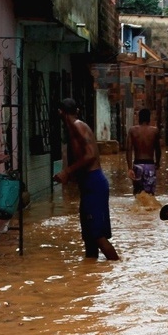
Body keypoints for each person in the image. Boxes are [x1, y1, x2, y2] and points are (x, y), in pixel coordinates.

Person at [53, 98, 119, 261]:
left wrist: (67, 171)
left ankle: (117, 268)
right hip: (89, 183)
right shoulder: (74, 128)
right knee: (89, 236)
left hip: (94, 183)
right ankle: (89, 280)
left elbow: (90, 155)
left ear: (61, 112)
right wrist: (71, 176)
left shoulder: (77, 125)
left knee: (97, 235)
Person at [125, 108, 161, 195]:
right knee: (150, 195)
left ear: (138, 118)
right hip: (150, 165)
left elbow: (128, 149)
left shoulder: (132, 130)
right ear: (149, 118)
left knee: (138, 194)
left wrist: (130, 168)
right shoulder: (155, 131)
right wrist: (158, 163)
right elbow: (158, 150)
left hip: (138, 165)